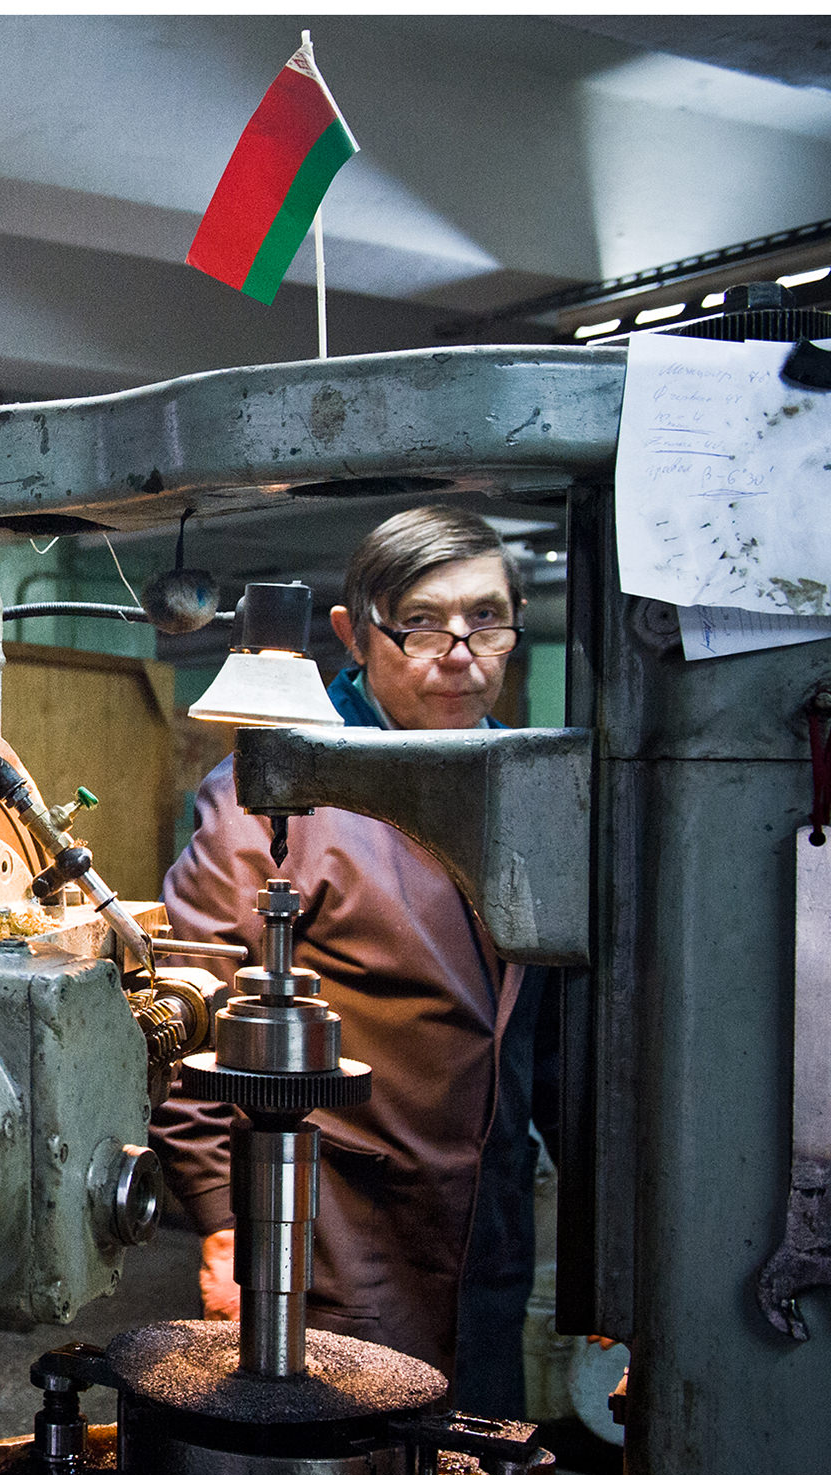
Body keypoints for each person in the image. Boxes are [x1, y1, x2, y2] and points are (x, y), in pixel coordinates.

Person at [151, 506, 556, 1415]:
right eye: (420, 621)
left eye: (486, 618)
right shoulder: (279, 796)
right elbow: (184, 1016)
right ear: (354, 632)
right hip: (333, 1240)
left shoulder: (529, 797)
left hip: (487, 1240)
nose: (458, 651)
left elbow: (559, 1036)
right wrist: (222, 1219)